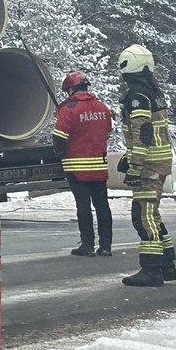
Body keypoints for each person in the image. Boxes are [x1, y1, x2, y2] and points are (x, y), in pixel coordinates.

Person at [115, 43, 176, 288]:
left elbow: (143, 133)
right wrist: (128, 158)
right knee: (153, 214)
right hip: (157, 162)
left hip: (149, 165)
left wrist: (134, 166)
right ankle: (167, 264)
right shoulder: (153, 92)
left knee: (143, 216)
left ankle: (151, 270)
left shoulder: (137, 97)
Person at [53, 70, 114, 257]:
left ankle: (87, 245)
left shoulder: (68, 109)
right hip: (99, 166)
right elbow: (108, 133)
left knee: (83, 206)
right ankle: (106, 246)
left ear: (71, 89)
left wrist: (59, 152)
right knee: (102, 205)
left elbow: (59, 138)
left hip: (76, 167)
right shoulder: (103, 108)